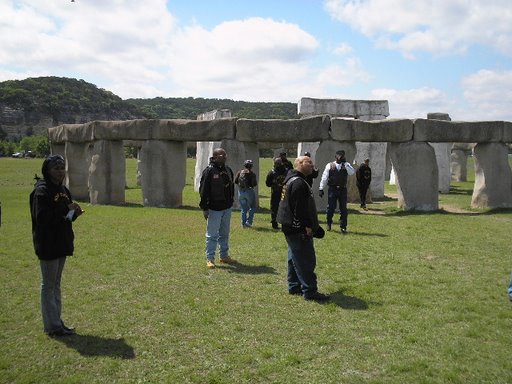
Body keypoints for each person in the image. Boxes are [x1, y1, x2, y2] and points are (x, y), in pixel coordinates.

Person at [30, 154, 84, 337]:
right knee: (48, 285)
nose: (60, 171)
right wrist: (65, 209)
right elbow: (42, 218)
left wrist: (74, 213)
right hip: (48, 244)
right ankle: (52, 326)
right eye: (56, 168)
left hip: (62, 242)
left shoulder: (63, 190)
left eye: (62, 167)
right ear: (47, 170)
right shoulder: (42, 191)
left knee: (55, 284)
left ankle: (57, 322)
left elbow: (65, 217)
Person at [277, 155, 329, 302]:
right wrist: (307, 226)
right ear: (299, 164)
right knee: (305, 259)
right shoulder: (298, 183)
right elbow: (299, 208)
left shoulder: (292, 179)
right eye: (308, 162)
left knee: (294, 256)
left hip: (290, 226)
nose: (312, 165)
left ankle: (294, 286)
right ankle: (310, 290)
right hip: (297, 228)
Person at [199, 148, 237, 269]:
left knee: (224, 233)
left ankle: (224, 256)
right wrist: (205, 208)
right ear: (214, 157)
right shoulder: (209, 171)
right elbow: (203, 190)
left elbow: (231, 187)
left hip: (227, 207)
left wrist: (231, 202)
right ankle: (210, 258)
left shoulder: (228, 170)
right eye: (221, 155)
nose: (224, 156)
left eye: (225, 155)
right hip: (214, 208)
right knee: (212, 235)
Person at [319, 150, 355, 233]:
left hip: (342, 189)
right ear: (335, 157)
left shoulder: (346, 165)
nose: (340, 157)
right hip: (332, 189)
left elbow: (352, 172)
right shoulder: (330, 165)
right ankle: (329, 223)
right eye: (339, 156)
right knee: (331, 207)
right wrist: (321, 188)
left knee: (343, 209)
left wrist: (345, 164)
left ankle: (343, 226)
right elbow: (324, 177)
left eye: (342, 156)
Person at [234, 159, 258, 228]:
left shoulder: (239, 172)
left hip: (241, 191)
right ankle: (249, 222)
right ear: (251, 166)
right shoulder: (252, 174)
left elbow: (235, 181)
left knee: (243, 209)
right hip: (249, 191)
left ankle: (243, 224)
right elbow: (254, 184)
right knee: (252, 207)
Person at [265, 157, 288, 229]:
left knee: (274, 208)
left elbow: (268, 184)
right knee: (285, 208)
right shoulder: (287, 172)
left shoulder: (271, 172)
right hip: (285, 192)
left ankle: (274, 223)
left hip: (275, 192)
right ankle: (285, 223)